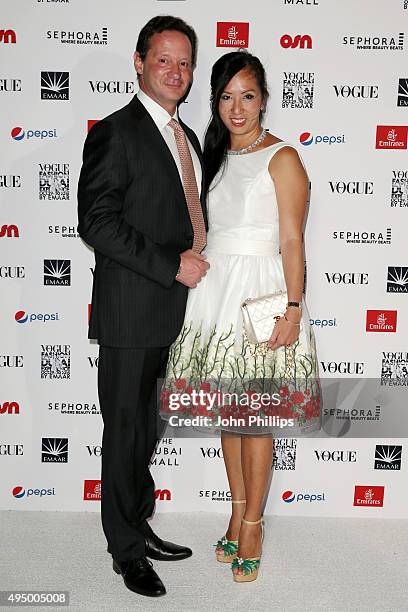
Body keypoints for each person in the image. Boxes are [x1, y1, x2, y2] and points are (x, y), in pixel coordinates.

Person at [161, 51, 320, 583]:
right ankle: (236, 510)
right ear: (216, 101)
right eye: (227, 96)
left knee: (255, 419)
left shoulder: (283, 158)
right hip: (215, 295)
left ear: (264, 99)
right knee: (230, 414)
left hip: (261, 297)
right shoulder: (213, 156)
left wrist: (294, 309)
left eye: (247, 95)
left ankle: (253, 524)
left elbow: (293, 240)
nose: (237, 107)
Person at [77, 15, 209, 598]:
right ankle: (125, 551)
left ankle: (138, 522)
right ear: (138, 61)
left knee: (146, 431)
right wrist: (170, 264)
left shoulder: (189, 137)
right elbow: (97, 223)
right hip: (132, 310)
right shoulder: (116, 131)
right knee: (124, 429)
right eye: (163, 59)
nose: (175, 71)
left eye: (184, 62)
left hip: (172, 312)